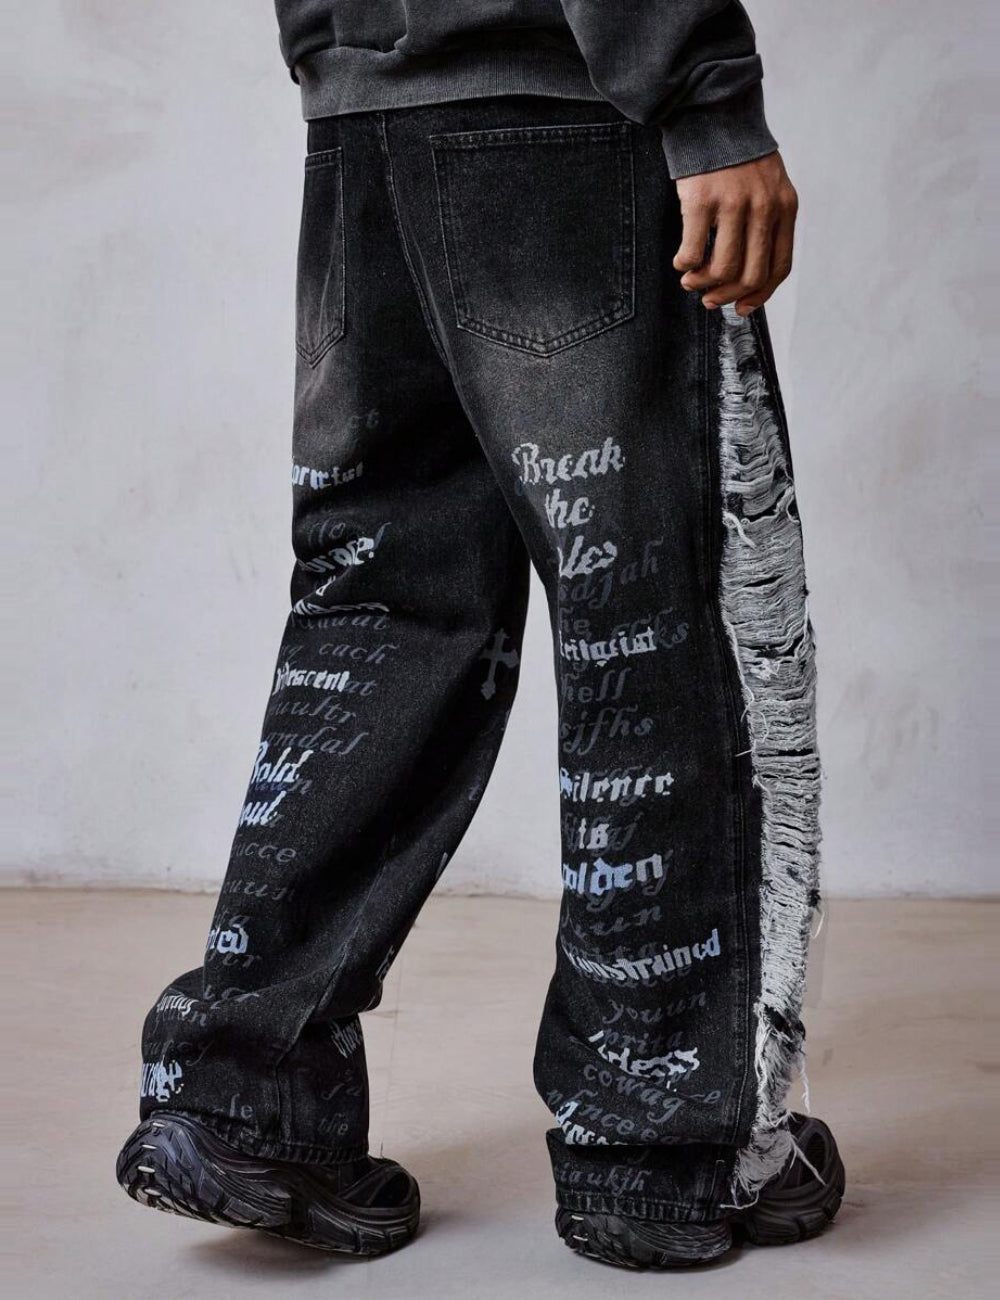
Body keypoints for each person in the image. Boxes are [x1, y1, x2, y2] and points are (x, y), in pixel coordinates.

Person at [116, 0, 844, 1270]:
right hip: (560, 120)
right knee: (656, 615)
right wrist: (704, 98)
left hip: (363, 135)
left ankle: (240, 1095)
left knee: (385, 611)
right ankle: (661, 1143)